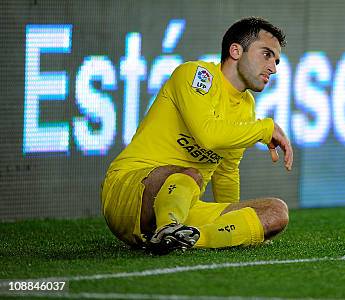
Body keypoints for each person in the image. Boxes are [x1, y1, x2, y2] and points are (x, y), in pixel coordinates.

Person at [101, 17, 293, 255]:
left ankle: (186, 238)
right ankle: (168, 228)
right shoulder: (196, 75)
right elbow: (208, 136)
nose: (273, 68)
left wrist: (231, 217)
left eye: (276, 60)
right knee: (189, 173)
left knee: (276, 211)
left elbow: (227, 171)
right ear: (235, 51)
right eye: (266, 54)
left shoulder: (245, 106)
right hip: (129, 192)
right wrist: (264, 129)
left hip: (181, 205)